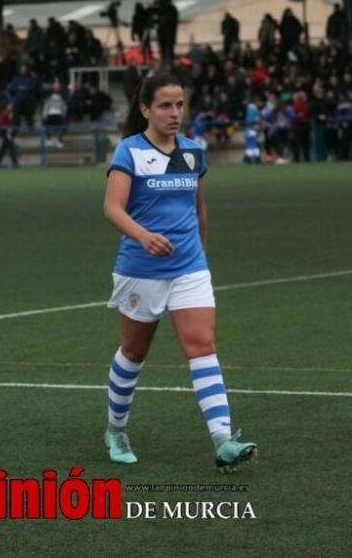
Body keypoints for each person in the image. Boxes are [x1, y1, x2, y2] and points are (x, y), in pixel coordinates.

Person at [101, 71, 257, 474]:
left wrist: (200, 256)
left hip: (189, 269)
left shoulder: (193, 152)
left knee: (202, 345)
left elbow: (198, 207)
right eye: (165, 106)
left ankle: (223, 439)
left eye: (180, 105)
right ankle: (115, 430)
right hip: (141, 269)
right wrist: (143, 236)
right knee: (134, 352)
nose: (175, 113)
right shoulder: (129, 152)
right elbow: (112, 208)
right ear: (145, 110)